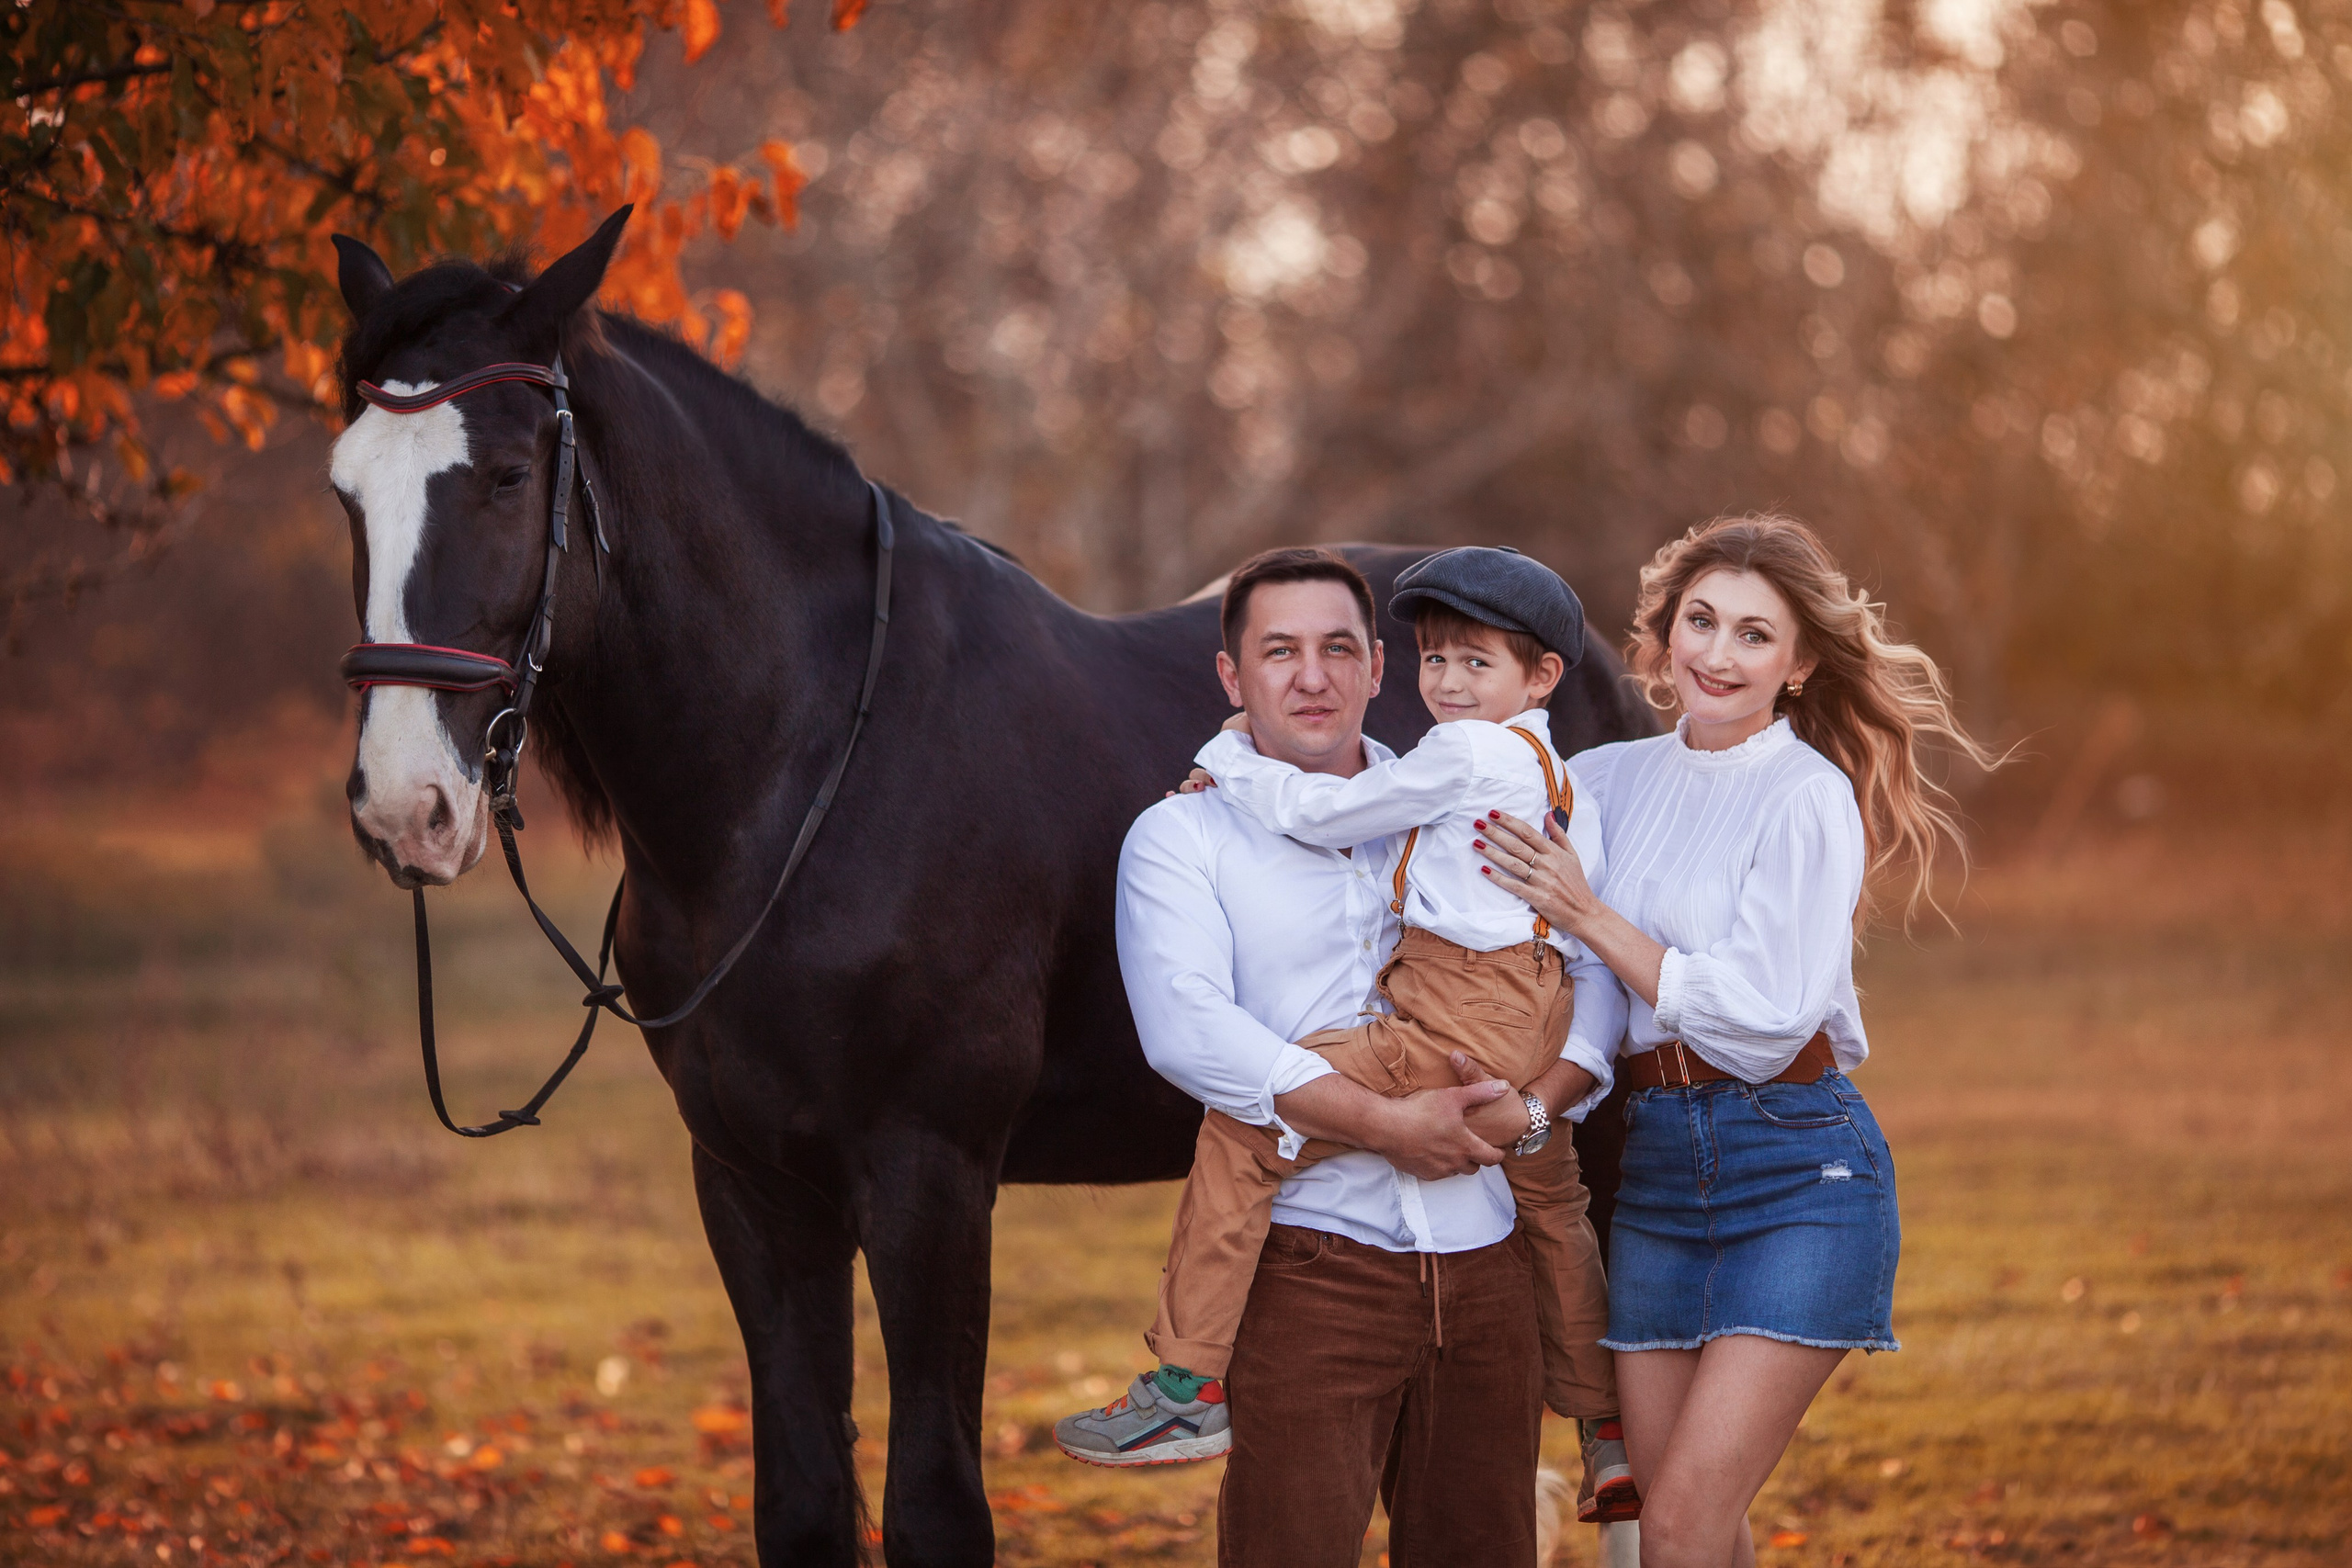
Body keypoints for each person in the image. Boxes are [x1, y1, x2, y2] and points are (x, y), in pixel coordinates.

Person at [1056, 547, 1636, 1523]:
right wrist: (1385, 1123)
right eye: (1278, 651)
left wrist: (1540, 1106)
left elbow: (1593, 962)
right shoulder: (1181, 835)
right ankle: (1603, 1425)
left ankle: (1183, 1388)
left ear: (1373, 668)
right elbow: (1187, 1034)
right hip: (1319, 1277)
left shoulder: (1435, 785)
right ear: (1231, 679)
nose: (1313, 674)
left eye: (1336, 648)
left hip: (1483, 1267)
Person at [1469, 513, 2000, 1568]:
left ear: (1800, 663)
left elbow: (1763, 1022)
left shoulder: (1808, 798)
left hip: (1796, 1167)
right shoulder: (1604, 778)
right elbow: (1455, 818)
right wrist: (1251, 790)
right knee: (1678, 1515)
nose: (1716, 654)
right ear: (1662, 637)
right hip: (1657, 1169)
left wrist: (1592, 918)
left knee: (1677, 1527)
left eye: (1754, 635)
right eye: (1699, 621)